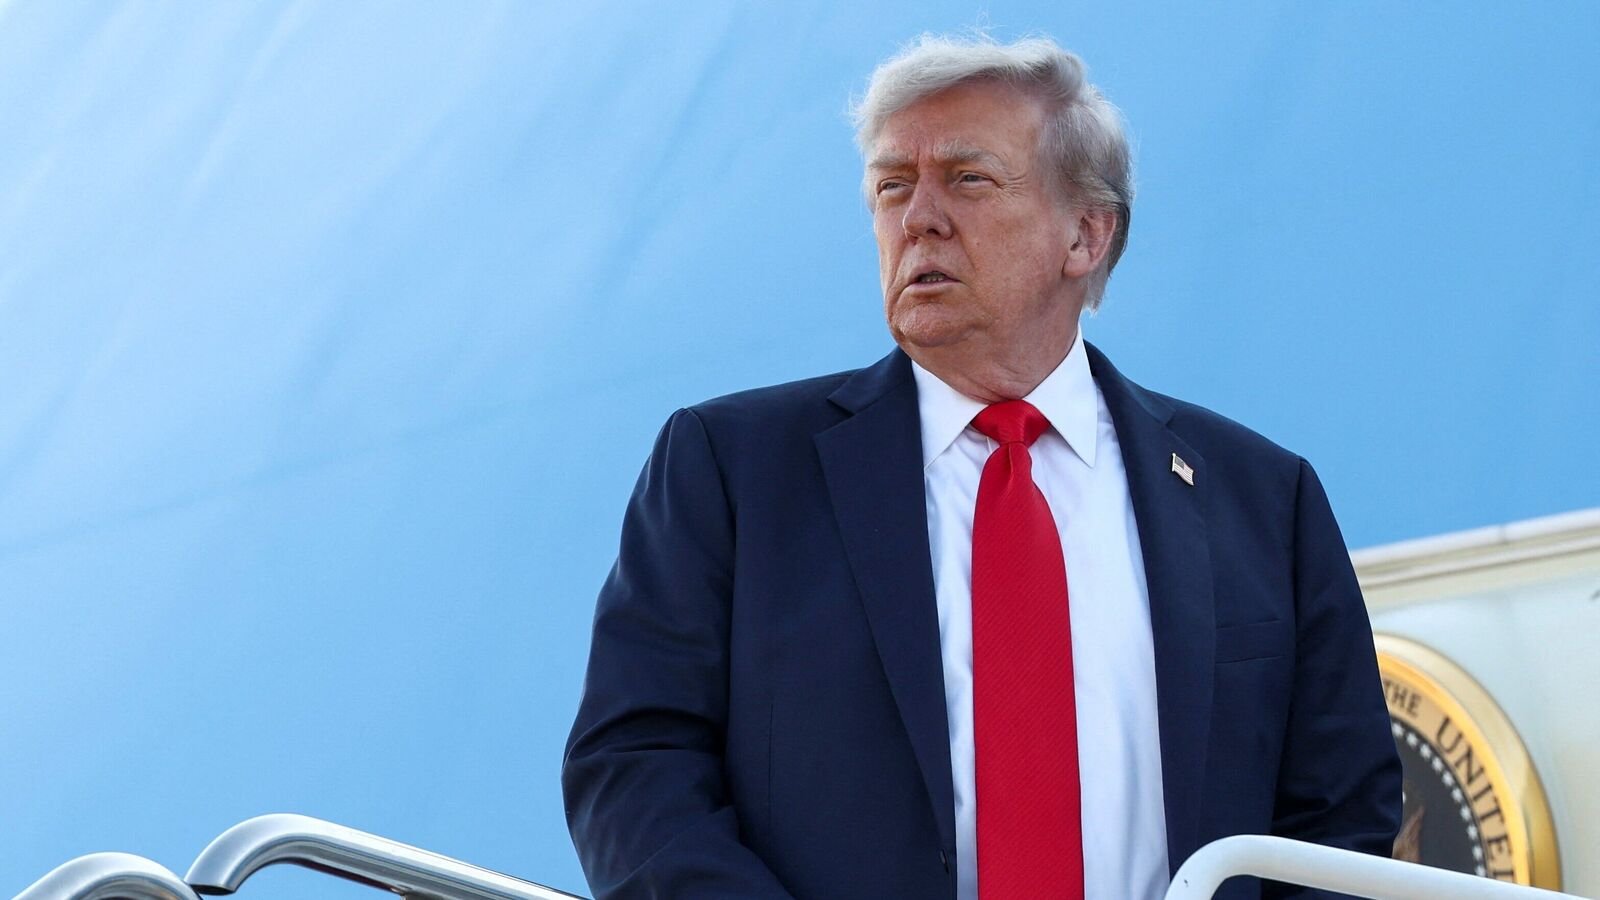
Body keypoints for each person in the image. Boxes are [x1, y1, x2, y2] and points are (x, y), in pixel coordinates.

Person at [563, 33, 1400, 900]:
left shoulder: (1262, 498)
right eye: (892, 185)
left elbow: (1339, 817)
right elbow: (634, 765)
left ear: (1085, 234)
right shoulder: (732, 471)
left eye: (967, 179)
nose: (917, 217)